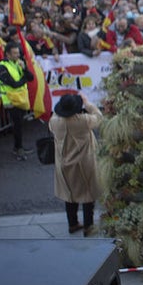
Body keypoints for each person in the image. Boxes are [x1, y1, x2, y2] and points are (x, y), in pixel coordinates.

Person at [48, 93, 103, 235]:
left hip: (63, 164)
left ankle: (72, 224)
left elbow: (55, 114)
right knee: (88, 194)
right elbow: (98, 117)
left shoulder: (54, 122)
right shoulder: (83, 121)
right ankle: (88, 226)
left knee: (69, 193)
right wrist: (87, 103)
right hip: (84, 163)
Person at [0, 43, 33, 160]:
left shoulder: (18, 63)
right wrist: (24, 79)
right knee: (17, 125)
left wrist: (24, 68)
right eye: (15, 53)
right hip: (10, 100)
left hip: (21, 99)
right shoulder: (2, 67)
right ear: (8, 54)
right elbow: (14, 84)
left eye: (18, 53)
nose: (18, 55)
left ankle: (18, 147)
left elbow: (31, 78)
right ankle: (18, 149)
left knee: (20, 124)